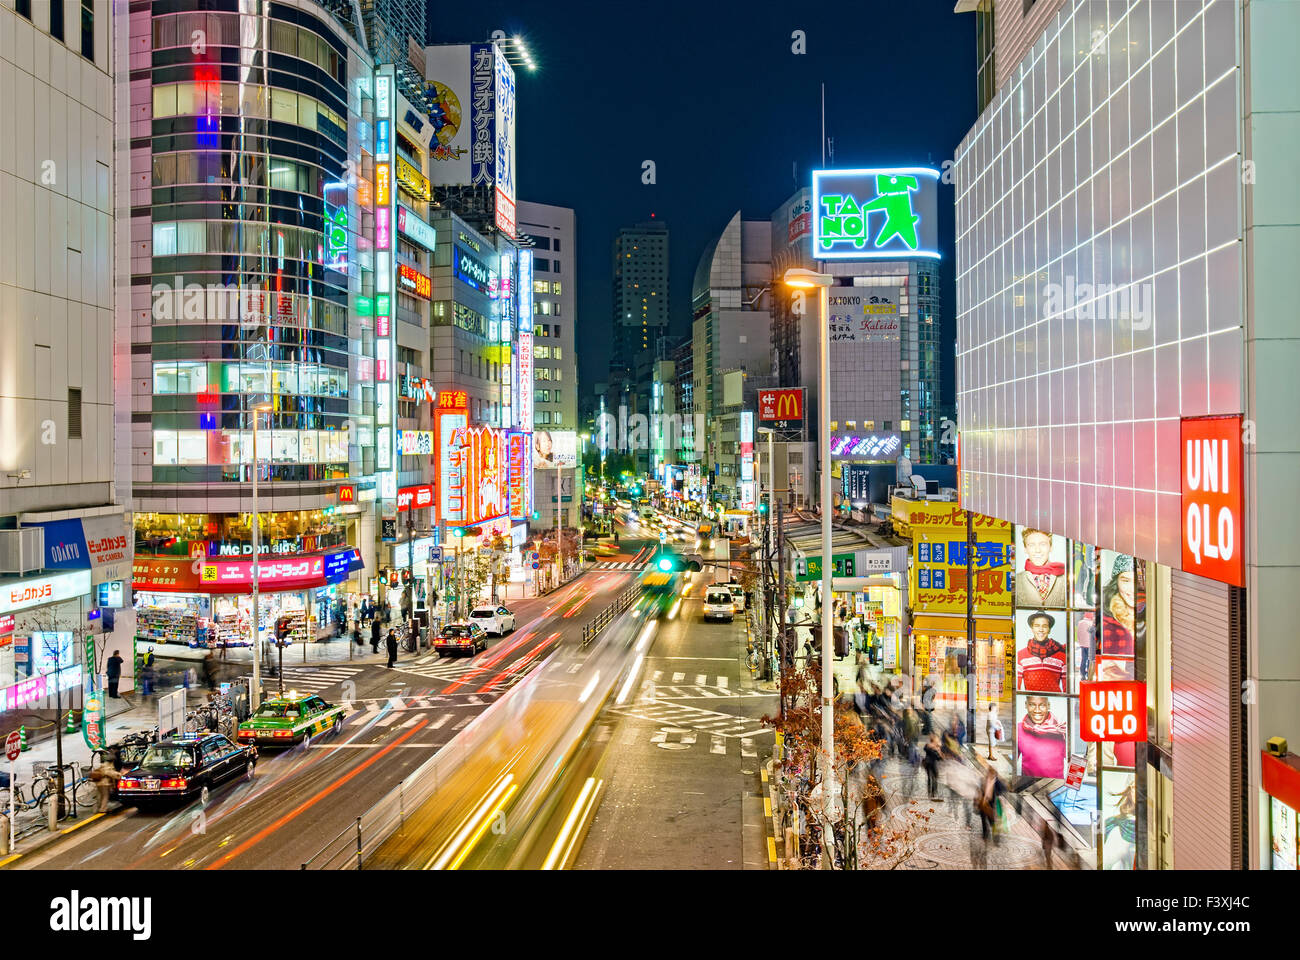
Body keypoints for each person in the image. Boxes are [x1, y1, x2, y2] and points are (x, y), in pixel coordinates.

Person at [1014, 527, 1067, 607]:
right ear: (1025, 549)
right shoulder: (1017, 579)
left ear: (1051, 547)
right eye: (1031, 545)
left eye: (1043, 544)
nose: (1037, 550)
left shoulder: (1065, 578)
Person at [1016, 695, 1067, 778]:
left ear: (1048, 706)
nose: (1037, 710)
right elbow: (1011, 764)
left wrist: (1074, 784)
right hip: (1029, 787)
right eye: (1032, 705)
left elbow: (1075, 762)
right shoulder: (1018, 729)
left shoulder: (1061, 730)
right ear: (1026, 705)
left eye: (1042, 705)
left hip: (1056, 787)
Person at [1017, 610, 1068, 692]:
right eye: (1037, 626)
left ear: (1049, 629)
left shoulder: (1062, 655)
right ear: (1032, 629)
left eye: (1044, 626)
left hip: (1054, 702)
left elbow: (1067, 689)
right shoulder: (1021, 655)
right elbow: (1017, 687)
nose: (1041, 629)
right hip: (1031, 703)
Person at [922, 733, 944, 799]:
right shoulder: (935, 749)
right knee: (935, 778)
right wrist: (939, 750)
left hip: (926, 763)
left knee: (929, 777)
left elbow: (924, 748)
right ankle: (933, 793)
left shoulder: (927, 745)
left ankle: (929, 792)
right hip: (933, 764)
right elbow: (939, 758)